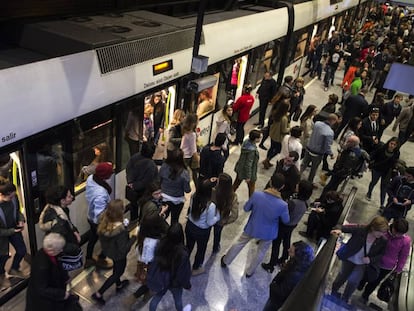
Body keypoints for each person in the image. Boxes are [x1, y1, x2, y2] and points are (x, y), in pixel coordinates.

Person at [221, 173, 289, 277]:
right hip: (269, 232)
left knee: (240, 242)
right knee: (261, 252)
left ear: (270, 181)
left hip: (253, 226)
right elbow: (286, 220)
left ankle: (226, 260)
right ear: (282, 187)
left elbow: (246, 208)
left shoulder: (257, 195)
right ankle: (249, 272)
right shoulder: (283, 205)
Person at [330, 216, 388, 304]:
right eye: (379, 231)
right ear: (373, 228)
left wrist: (370, 259)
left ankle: (345, 299)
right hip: (349, 258)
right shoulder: (361, 229)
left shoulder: (382, 240)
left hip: (362, 264)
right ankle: (333, 293)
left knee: (353, 281)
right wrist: (339, 230)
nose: (381, 234)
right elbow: (342, 227)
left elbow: (381, 254)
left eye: (383, 232)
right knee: (342, 276)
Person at [90, 200, 136, 305]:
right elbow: (124, 248)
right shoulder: (120, 231)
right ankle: (99, 293)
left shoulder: (104, 221)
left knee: (117, 268)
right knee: (118, 272)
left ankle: (119, 284)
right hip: (119, 254)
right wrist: (133, 237)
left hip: (109, 251)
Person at [262, 180, 313, 273]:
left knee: (276, 244)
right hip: (293, 224)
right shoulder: (307, 201)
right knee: (286, 240)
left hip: (284, 224)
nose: (296, 185)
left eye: (298, 185)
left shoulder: (293, 203)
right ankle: (284, 258)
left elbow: (283, 213)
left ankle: (271, 264)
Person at [358, 218, 411, 304]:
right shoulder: (384, 231)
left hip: (386, 266)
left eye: (400, 234)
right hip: (373, 259)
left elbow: (403, 256)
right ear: (393, 227)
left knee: (375, 281)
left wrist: (398, 269)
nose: (397, 235)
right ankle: (361, 283)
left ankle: (366, 294)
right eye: (396, 232)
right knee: (366, 273)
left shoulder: (405, 241)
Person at [26, 233, 78, 311]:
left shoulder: (50, 253)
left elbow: (59, 265)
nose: (61, 250)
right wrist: (62, 294)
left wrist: (65, 277)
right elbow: (42, 289)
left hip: (53, 294)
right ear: (51, 250)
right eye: (60, 249)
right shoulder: (42, 265)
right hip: (43, 303)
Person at [147, 223, 192, 311]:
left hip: (162, 279)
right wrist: (187, 285)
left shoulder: (160, 244)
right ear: (181, 236)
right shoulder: (182, 253)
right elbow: (183, 274)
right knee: (178, 300)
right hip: (174, 283)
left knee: (156, 298)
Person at [262, 241, 314, 311]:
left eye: (291, 251)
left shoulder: (295, 274)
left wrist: (272, 285)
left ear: (298, 255)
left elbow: (281, 292)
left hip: (276, 300)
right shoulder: (301, 265)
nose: (288, 250)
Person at [39, 186, 81, 269]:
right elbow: (59, 245)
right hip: (63, 253)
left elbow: (69, 224)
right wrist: (75, 247)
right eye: (69, 196)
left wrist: (74, 230)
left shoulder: (56, 209)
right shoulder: (59, 222)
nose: (72, 197)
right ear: (62, 201)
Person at [185, 180, 220, 275]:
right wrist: (218, 216)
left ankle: (183, 264)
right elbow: (210, 222)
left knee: (188, 246)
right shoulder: (210, 206)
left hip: (190, 225)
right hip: (202, 231)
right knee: (201, 249)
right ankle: (196, 268)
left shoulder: (194, 196)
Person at [133, 208, 169, 300]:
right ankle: (142, 293)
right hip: (150, 263)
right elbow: (149, 258)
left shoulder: (141, 230)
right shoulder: (155, 241)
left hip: (141, 258)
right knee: (149, 279)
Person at [85, 162, 113, 269]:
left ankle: (88, 258)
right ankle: (101, 258)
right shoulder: (100, 193)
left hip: (90, 217)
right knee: (107, 240)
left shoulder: (91, 178)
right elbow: (100, 214)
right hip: (98, 221)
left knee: (92, 238)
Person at [300, 113, 338, 184]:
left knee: (303, 165)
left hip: (309, 148)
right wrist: (331, 154)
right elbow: (327, 146)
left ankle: (297, 177)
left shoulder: (317, 124)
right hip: (317, 153)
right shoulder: (330, 132)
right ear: (333, 121)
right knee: (313, 169)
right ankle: (309, 182)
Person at [126, 142, 158, 222]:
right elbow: (148, 181)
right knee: (144, 207)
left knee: (133, 205)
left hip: (133, 188)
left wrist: (131, 183)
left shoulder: (134, 157)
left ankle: (133, 220)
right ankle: (140, 222)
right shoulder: (152, 165)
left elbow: (128, 169)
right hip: (145, 191)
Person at [0, 180, 26, 278]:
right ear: (1, 195)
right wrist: (11, 231)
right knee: (3, 257)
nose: (12, 199)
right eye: (10, 197)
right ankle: (2, 275)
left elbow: (17, 211)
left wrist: (21, 219)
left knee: (21, 250)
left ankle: (14, 268)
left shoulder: (14, 198)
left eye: (13, 196)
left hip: (14, 229)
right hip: (3, 235)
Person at [366, 137, 400, 208]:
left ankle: (382, 204)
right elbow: (374, 156)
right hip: (377, 169)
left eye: (394, 145)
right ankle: (369, 193)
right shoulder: (382, 148)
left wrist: (394, 170)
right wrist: (370, 163)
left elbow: (394, 162)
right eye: (391, 143)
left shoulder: (396, 153)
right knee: (373, 182)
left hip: (387, 172)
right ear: (389, 143)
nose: (392, 146)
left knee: (384, 188)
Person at [159, 149, 191, 224]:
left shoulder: (164, 166)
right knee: (175, 220)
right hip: (177, 200)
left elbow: (159, 180)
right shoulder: (184, 173)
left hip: (164, 197)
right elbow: (187, 190)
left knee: (162, 218)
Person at [211, 173, 239, 254]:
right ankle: (215, 248)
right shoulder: (233, 196)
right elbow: (235, 215)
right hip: (221, 220)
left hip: (209, 217)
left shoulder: (212, 191)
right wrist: (225, 220)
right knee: (217, 234)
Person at [262, 98, 290, 169]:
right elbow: (284, 130)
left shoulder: (275, 113)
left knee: (272, 148)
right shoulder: (284, 118)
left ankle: (267, 160)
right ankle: (267, 160)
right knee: (277, 150)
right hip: (279, 137)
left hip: (273, 134)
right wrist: (290, 128)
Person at [233, 130, 261, 198]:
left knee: (236, 183)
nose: (260, 138)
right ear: (255, 139)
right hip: (249, 172)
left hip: (240, 167)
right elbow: (249, 164)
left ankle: (229, 195)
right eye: (259, 137)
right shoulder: (252, 151)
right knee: (251, 187)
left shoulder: (246, 143)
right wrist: (248, 176)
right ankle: (251, 202)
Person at [180, 113, 199, 185]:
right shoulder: (192, 134)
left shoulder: (185, 131)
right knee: (193, 173)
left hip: (183, 154)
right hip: (188, 156)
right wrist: (197, 159)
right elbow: (193, 149)